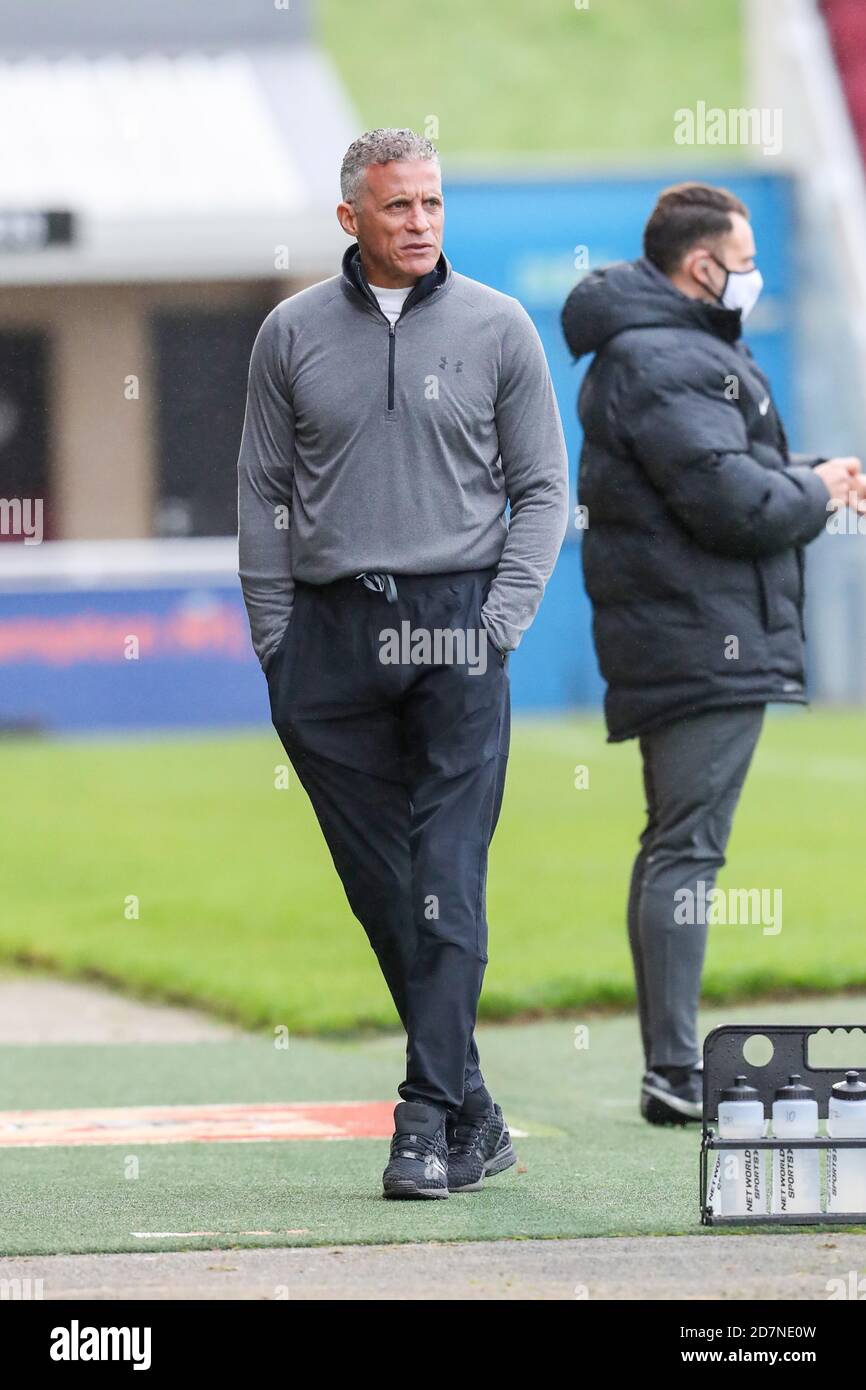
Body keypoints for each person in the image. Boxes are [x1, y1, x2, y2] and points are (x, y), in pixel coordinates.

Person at [238, 129, 569, 1194]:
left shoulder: (500, 326)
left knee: (446, 878)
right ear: (350, 219)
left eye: (429, 202)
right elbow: (261, 494)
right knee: (384, 891)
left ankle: (424, 1116)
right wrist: (275, 641)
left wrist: (499, 620)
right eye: (396, 207)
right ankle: (474, 1104)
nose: (419, 221)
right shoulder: (288, 334)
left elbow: (544, 491)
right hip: (327, 642)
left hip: (454, 628)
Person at [561, 181, 865, 1125]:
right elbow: (732, 505)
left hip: (692, 633)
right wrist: (814, 492)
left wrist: (807, 477)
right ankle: (676, 1070)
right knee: (685, 851)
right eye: (742, 260)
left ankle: (673, 1067)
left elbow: (726, 472)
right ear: (703, 266)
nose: (751, 279)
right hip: (699, 638)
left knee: (678, 848)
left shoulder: (666, 351)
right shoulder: (664, 357)